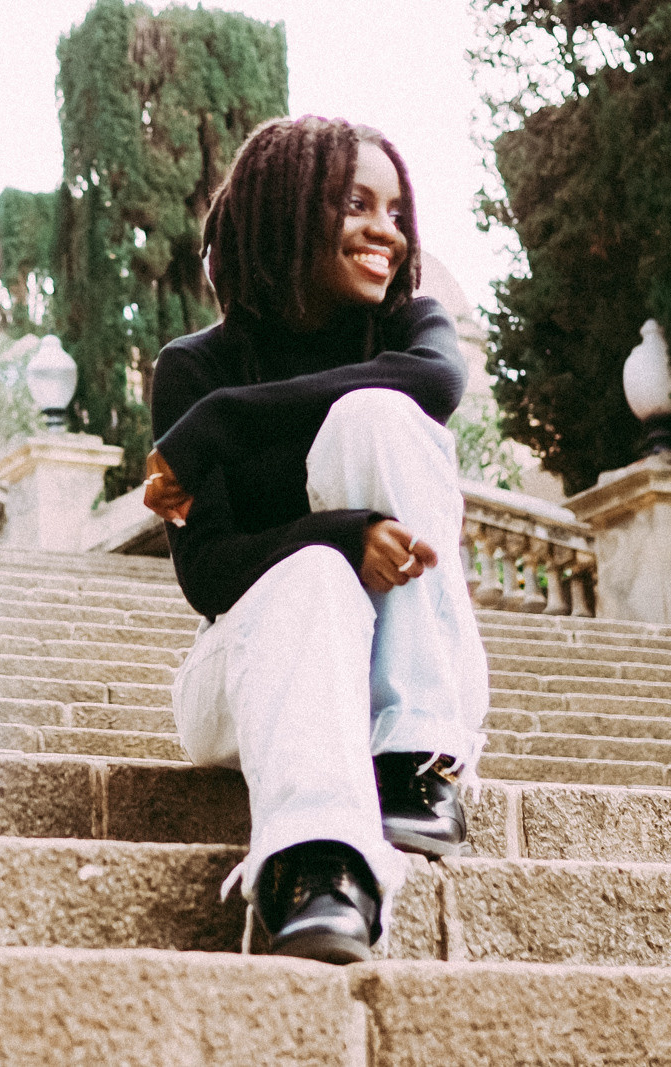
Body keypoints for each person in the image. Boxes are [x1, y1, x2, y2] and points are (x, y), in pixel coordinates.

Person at [142, 115, 490, 964]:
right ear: (287, 210)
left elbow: (440, 386)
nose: (386, 230)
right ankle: (316, 866)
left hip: (407, 666)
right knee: (311, 579)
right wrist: (339, 535)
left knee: (375, 413)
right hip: (247, 663)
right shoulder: (194, 366)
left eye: (396, 209)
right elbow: (211, 574)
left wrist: (220, 424)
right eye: (355, 203)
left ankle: (417, 757)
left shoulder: (414, 328)